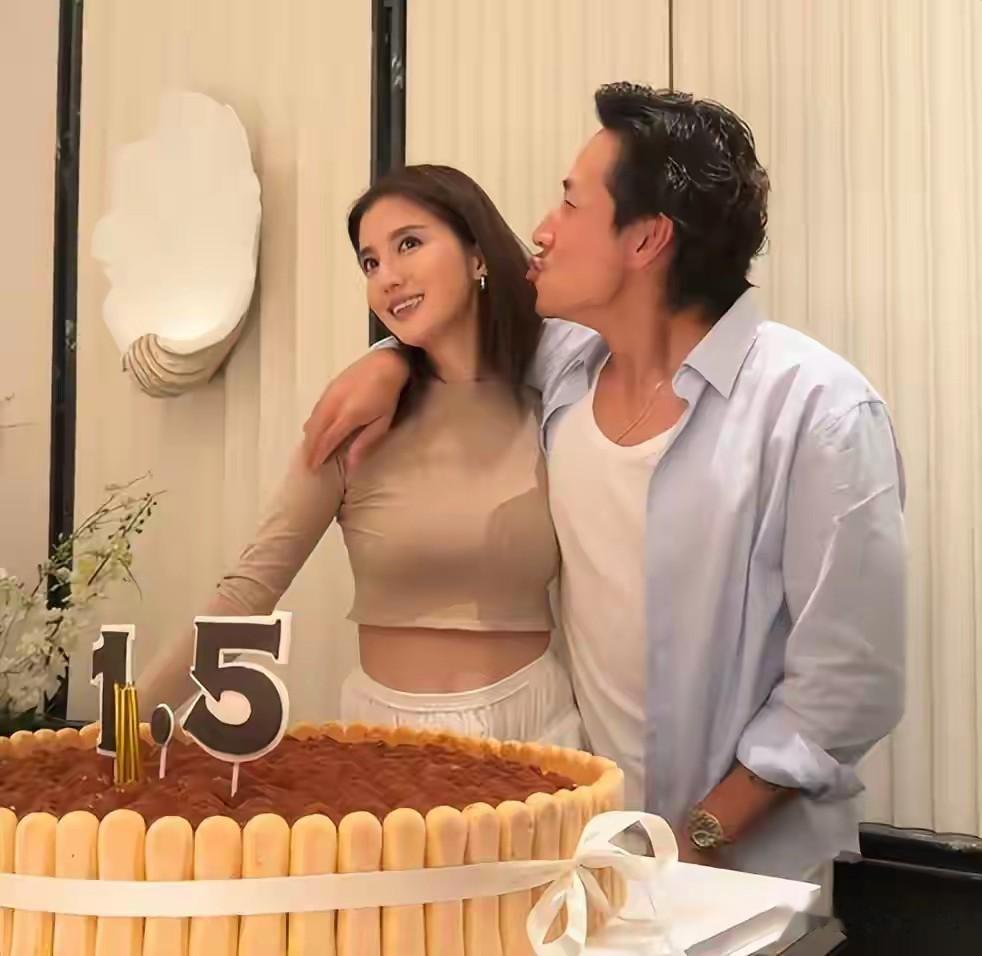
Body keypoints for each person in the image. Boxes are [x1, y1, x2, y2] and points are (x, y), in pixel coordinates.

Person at [301, 84, 907, 886]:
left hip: (737, 877)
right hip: (584, 840)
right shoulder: (564, 369)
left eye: (570, 203)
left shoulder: (817, 411)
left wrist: (697, 837)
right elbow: (451, 324)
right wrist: (386, 359)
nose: (541, 231)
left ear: (646, 238)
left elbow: (845, 688)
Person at [138, 164, 585, 749]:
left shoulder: (554, 409)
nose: (387, 277)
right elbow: (248, 590)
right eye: (370, 263)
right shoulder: (356, 419)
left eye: (409, 244)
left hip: (539, 731)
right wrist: (116, 730)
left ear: (478, 255)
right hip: (388, 742)